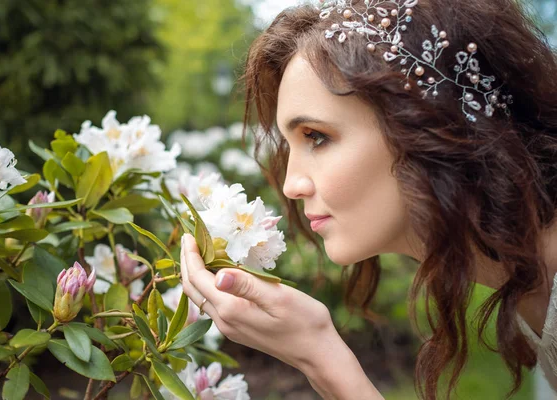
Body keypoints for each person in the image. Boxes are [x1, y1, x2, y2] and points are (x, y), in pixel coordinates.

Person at [179, 0, 557, 398]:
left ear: (428, 126)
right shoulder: (529, 280)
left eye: (316, 137)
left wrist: (320, 358)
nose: (291, 185)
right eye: (290, 146)